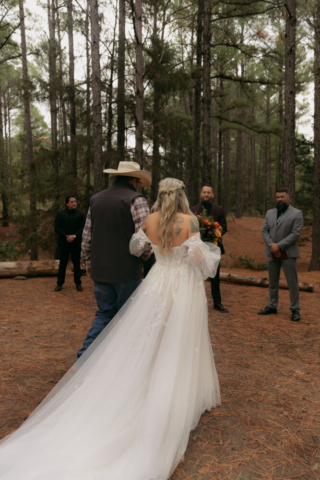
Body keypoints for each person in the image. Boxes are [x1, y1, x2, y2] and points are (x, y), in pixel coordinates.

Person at [0, 178, 221, 480]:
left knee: (149, 339)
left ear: (160, 195)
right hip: (182, 289)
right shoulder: (190, 220)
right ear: (183, 195)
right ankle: (171, 393)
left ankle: (145, 383)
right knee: (178, 341)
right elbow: (197, 259)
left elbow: (136, 246)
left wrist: (157, 253)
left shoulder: (152, 219)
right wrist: (204, 249)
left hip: (157, 285)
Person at [77, 161, 152, 358]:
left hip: (100, 269)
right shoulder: (137, 200)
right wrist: (145, 257)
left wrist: (88, 262)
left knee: (104, 313)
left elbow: (87, 236)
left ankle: (84, 358)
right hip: (127, 270)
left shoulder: (96, 199)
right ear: (134, 180)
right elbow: (144, 237)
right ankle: (124, 360)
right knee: (129, 317)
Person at [259, 187, 303, 322]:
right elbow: (264, 230)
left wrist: (280, 245)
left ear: (288, 197)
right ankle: (272, 306)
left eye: (282, 197)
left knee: (292, 282)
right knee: (272, 282)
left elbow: (296, 233)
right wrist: (272, 245)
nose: (279, 199)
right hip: (272, 253)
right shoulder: (270, 213)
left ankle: (295, 309)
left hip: (288, 253)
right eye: (277, 197)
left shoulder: (296, 213)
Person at [191, 185, 228, 312]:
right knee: (195, 274)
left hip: (214, 247)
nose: (206, 194)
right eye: (204, 192)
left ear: (212, 195)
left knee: (215, 276)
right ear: (201, 194)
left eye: (209, 192)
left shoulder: (219, 209)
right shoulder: (193, 209)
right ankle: (194, 302)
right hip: (198, 247)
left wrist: (214, 234)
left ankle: (217, 303)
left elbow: (224, 226)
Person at [54, 196, 86, 292]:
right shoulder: (60, 214)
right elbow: (57, 227)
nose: (74, 203)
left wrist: (74, 236)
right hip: (64, 243)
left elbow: (83, 227)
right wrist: (66, 236)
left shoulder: (80, 214)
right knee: (63, 264)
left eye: (75, 201)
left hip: (76, 243)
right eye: (72, 202)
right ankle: (59, 284)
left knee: (76, 264)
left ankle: (78, 283)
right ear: (67, 203)